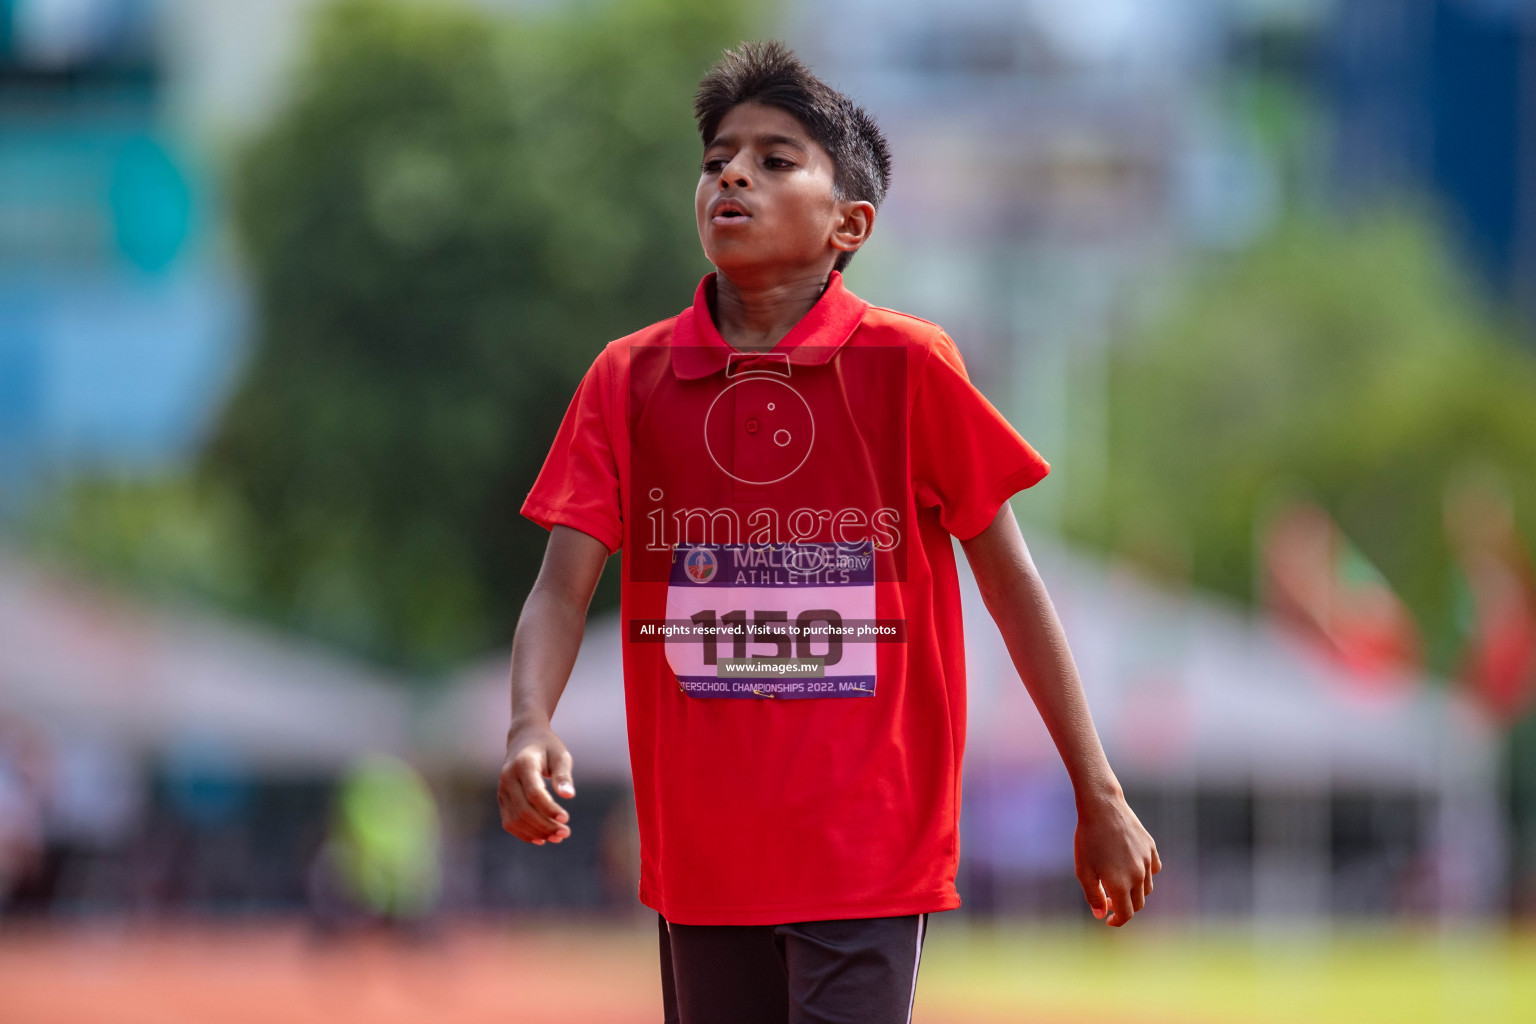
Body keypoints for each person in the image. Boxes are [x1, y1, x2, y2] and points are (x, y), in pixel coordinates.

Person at [497, 39, 1160, 1024]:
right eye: (719, 156)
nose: (732, 172)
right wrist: (528, 721)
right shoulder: (626, 381)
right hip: (704, 861)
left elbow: (1013, 585)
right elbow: (561, 589)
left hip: (869, 855)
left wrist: (1096, 788)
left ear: (850, 223)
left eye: (776, 159)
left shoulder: (909, 367)